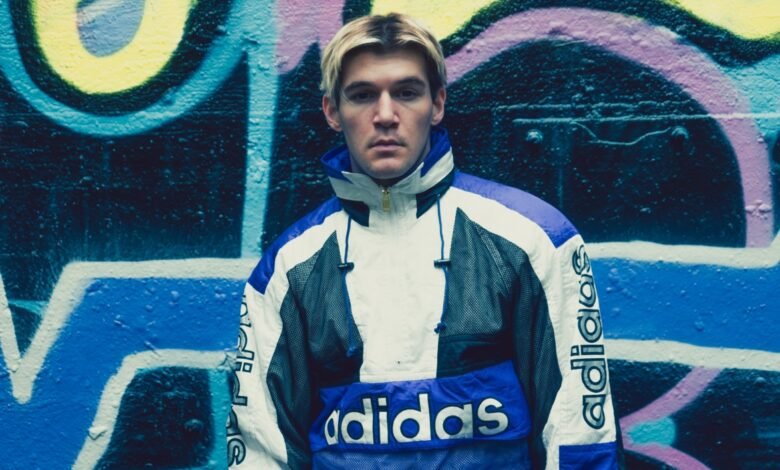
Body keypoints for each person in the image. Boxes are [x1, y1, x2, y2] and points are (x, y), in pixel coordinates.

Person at [228, 12, 622, 469]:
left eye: (406, 92)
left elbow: (579, 435)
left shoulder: (534, 240)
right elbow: (261, 451)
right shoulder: (288, 268)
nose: (385, 116)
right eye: (362, 95)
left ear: (437, 104)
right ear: (333, 112)